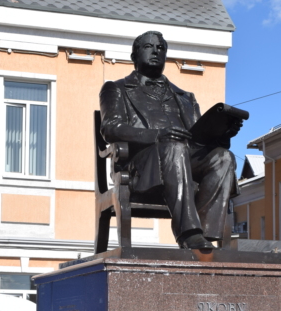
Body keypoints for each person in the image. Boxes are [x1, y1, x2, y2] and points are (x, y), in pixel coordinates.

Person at [99, 30, 242, 250]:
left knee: (223, 158)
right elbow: (111, 128)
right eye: (149, 47)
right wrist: (157, 135)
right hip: (143, 167)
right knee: (174, 147)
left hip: (185, 162)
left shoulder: (186, 97)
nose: (156, 51)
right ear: (134, 56)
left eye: (161, 48)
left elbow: (198, 140)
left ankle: (204, 235)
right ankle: (189, 234)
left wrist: (223, 134)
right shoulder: (116, 89)